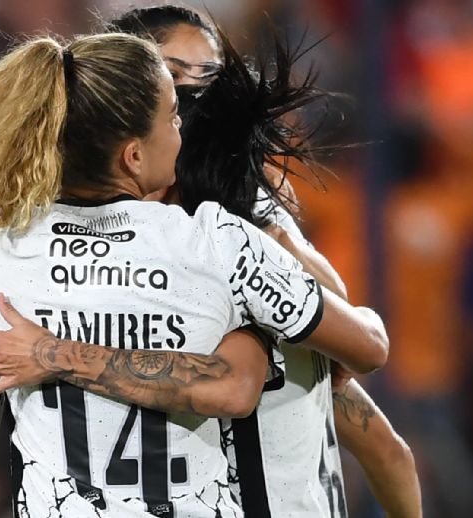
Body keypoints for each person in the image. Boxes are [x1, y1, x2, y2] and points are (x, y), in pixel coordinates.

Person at [0, 32, 389, 516]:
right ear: (134, 156)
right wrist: (266, 316)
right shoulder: (218, 244)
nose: (181, 133)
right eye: (171, 117)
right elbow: (368, 347)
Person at [107, 6, 422, 516]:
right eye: (173, 74)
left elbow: (363, 368)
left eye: (208, 76)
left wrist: (281, 250)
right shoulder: (89, 226)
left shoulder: (248, 208)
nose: (192, 95)